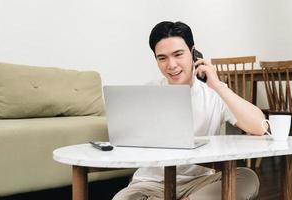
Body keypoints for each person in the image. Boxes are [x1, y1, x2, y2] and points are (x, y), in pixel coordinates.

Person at [112, 21, 266, 200]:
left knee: (247, 178)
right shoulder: (149, 92)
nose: (171, 65)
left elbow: (260, 127)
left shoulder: (214, 92)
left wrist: (217, 85)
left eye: (178, 54)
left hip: (199, 183)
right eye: (162, 58)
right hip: (151, 183)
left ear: (193, 53)